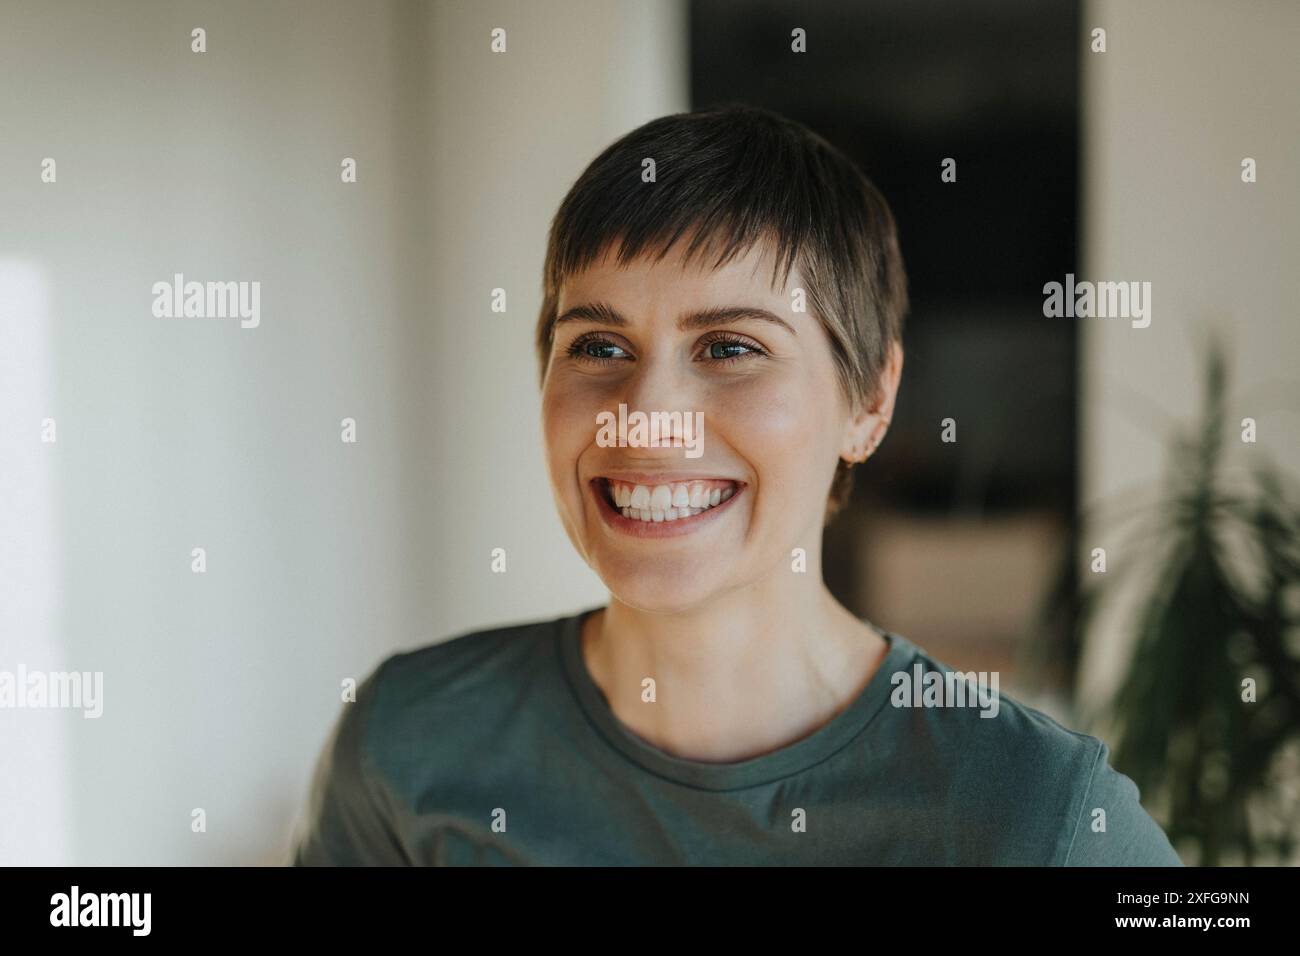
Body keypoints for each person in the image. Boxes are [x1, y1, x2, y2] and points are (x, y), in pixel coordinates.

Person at [289, 104, 1182, 866]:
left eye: (729, 348)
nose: (648, 418)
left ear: (870, 401)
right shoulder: (406, 742)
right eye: (599, 346)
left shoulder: (1042, 816)